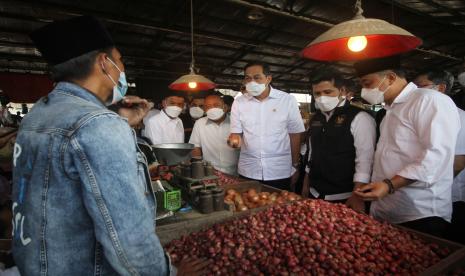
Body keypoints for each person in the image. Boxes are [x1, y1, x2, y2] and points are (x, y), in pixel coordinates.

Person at [12, 16, 206, 275]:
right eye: (120, 60)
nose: (122, 70)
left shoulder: (39, 113)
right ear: (105, 63)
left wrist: (118, 120)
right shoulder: (98, 125)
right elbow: (127, 231)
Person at [353, 56, 460, 238]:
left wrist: (389, 185)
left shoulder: (429, 100)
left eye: (368, 83)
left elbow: (436, 158)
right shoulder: (390, 111)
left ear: (391, 78)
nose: (364, 90)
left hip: (420, 213)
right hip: (389, 209)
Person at [301, 69, 376, 213]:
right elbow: (311, 153)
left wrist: (357, 195)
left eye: (328, 92)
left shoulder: (360, 117)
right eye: (317, 93)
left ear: (342, 90)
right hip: (314, 192)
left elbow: (365, 160)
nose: (322, 97)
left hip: (344, 196)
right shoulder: (316, 119)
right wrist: (306, 183)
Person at [228, 61, 305, 191]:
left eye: (257, 77)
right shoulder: (239, 102)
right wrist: (234, 141)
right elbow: (236, 133)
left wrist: (295, 165)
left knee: (279, 208)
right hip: (249, 169)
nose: (251, 82)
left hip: (279, 170)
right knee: (249, 205)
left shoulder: (286, 100)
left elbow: (295, 135)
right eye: (248, 78)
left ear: (268, 79)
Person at [414, 70, 465, 243]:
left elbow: (458, 163)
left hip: (447, 197)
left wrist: (433, 186)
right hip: (420, 196)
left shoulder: (460, 117)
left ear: (441, 88)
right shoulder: (421, 114)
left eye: (421, 86)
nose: (416, 91)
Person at [189, 94, 239, 175]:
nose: (212, 109)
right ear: (204, 110)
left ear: (225, 107)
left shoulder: (236, 122)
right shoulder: (199, 123)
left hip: (236, 171)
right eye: (208, 106)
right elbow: (195, 147)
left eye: (216, 105)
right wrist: (198, 168)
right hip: (210, 171)